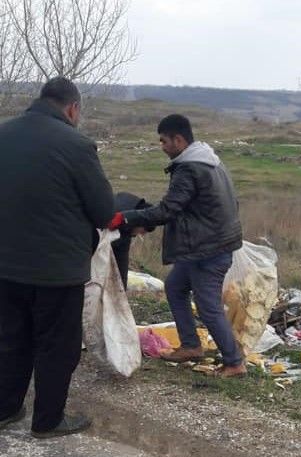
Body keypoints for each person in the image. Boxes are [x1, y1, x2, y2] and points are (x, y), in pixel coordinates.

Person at [0, 77, 114, 438]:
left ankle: (6, 409)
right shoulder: (77, 145)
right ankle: (48, 420)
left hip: (5, 266)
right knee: (56, 346)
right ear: (72, 108)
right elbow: (103, 211)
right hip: (56, 270)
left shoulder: (3, 135)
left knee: (10, 339)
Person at [108, 114, 246, 377]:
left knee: (208, 306)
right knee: (174, 286)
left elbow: (168, 210)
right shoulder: (209, 160)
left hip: (207, 249)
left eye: (164, 141)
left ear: (179, 139)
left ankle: (234, 362)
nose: (162, 146)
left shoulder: (190, 168)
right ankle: (192, 345)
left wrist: (126, 217)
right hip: (210, 243)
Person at [111, 192, 154, 290]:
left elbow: (121, 261)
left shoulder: (127, 227)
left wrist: (121, 291)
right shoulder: (114, 218)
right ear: (140, 223)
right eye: (143, 231)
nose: (141, 235)